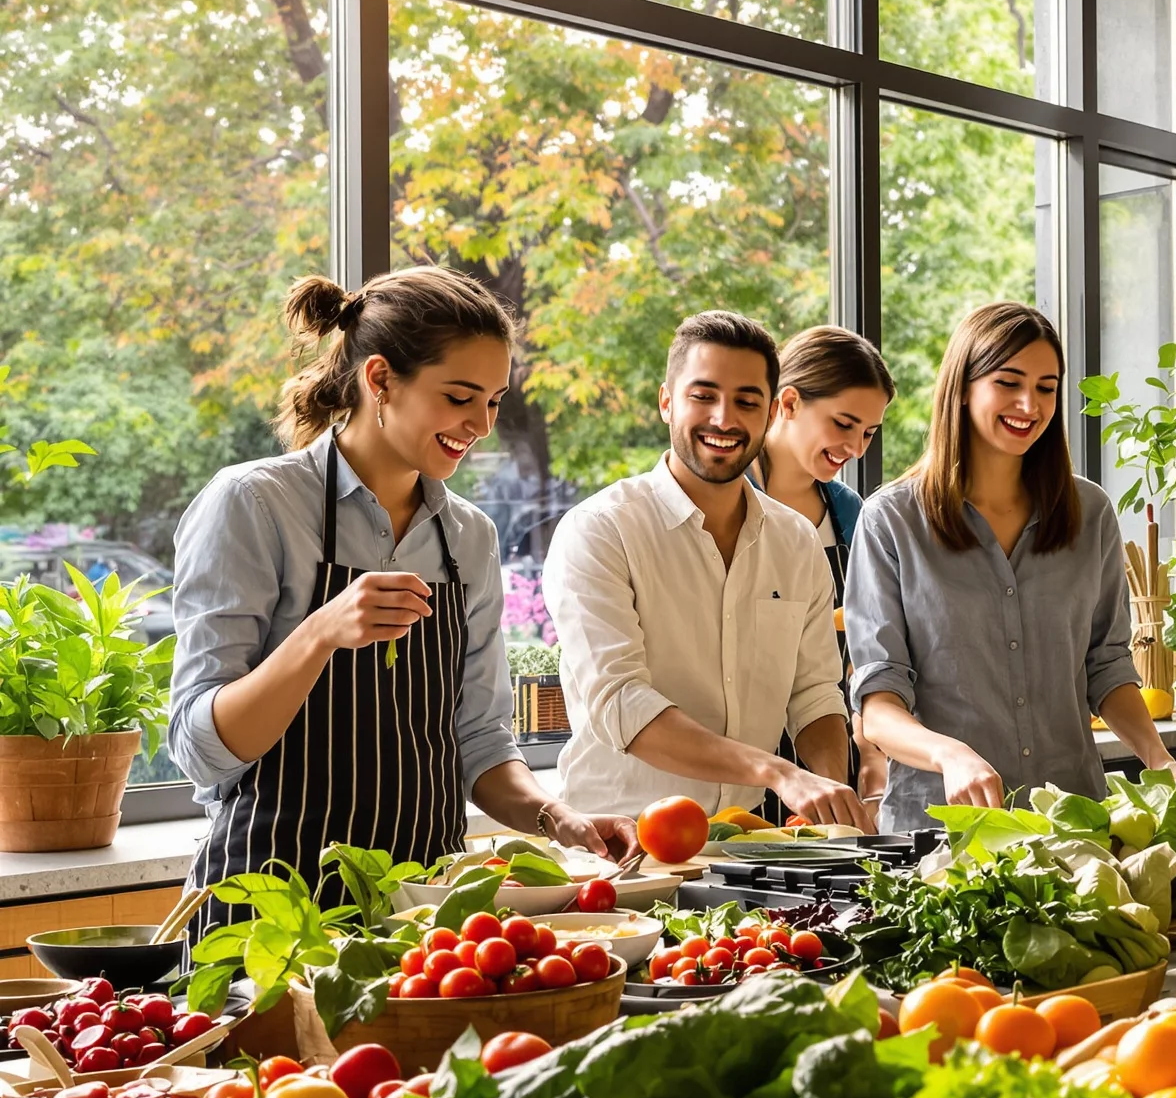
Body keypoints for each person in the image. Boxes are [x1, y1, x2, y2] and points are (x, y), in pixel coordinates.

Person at [169, 269, 634, 936]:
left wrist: (555, 817)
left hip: (424, 919)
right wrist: (318, 633)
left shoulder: (468, 536)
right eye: (459, 397)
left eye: (495, 401)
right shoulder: (255, 505)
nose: (482, 425)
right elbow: (200, 747)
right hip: (267, 917)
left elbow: (476, 738)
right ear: (380, 380)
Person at [845, 300, 1176, 833]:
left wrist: (1161, 760)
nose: (1028, 404)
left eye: (1046, 387)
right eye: (1008, 382)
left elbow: (1105, 667)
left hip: (1074, 826)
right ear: (963, 386)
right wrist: (950, 755)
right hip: (941, 835)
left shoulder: (1090, 514)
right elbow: (878, 704)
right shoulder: (890, 521)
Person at [543, 310, 871, 829]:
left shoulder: (797, 541)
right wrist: (779, 772)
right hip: (621, 849)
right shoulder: (600, 530)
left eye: (747, 401)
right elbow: (621, 704)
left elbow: (814, 695)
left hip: (749, 844)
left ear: (770, 414)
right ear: (666, 401)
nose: (724, 418)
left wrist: (830, 796)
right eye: (703, 395)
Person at [748, 325, 895, 802]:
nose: (855, 448)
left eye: (869, 432)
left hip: (831, 755)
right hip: (741, 764)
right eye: (844, 423)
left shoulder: (850, 513)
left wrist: (871, 756)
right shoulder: (727, 501)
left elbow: (862, 647)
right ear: (788, 403)